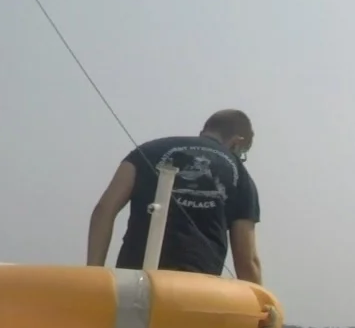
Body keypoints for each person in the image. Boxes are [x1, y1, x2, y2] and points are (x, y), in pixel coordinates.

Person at [87, 109, 262, 283]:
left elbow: (103, 210)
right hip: (195, 288)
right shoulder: (240, 174)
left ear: (204, 132)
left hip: (133, 281)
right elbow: (247, 260)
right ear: (237, 143)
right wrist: (264, 306)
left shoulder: (146, 151)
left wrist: (94, 276)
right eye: (242, 153)